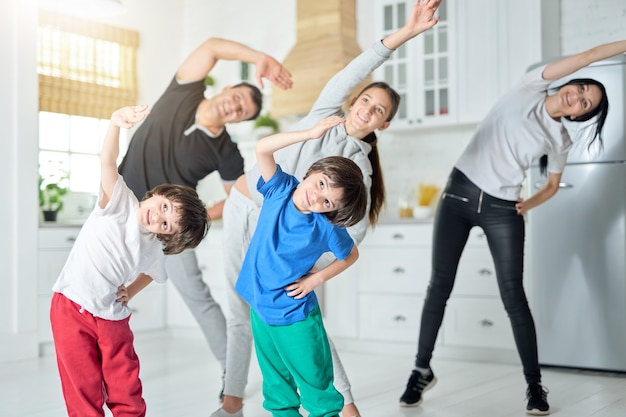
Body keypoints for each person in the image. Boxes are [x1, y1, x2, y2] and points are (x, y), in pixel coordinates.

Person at [218, 1, 443, 416]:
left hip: (290, 240)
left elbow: (351, 233)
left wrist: (310, 266)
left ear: (383, 124)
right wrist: (404, 33)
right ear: (354, 100)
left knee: (304, 324)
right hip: (246, 205)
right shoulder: (324, 113)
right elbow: (352, 72)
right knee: (242, 305)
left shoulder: (359, 169)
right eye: (367, 100)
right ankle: (231, 399)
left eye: (379, 111)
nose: (368, 109)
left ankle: (345, 404)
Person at [399, 39, 626, 416]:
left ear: (580, 116)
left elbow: (551, 185)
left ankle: (535, 387)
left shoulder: (560, 140)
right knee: (439, 286)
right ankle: (420, 371)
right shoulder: (530, 85)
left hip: (502, 208)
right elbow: (587, 57)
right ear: (572, 82)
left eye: (586, 104)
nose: (578, 97)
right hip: (458, 195)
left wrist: (527, 204)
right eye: (583, 88)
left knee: (514, 298)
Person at [117, 37, 293, 400]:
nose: (236, 107)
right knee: (102, 283)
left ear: (238, 120)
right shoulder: (184, 92)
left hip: (169, 228)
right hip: (122, 204)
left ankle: (233, 374)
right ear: (227, 88)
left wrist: (193, 216)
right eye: (239, 98)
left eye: (242, 111)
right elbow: (211, 47)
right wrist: (262, 57)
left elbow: (236, 198)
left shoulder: (226, 151)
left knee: (197, 297)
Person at [50, 105, 210, 417]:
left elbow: (153, 273)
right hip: (70, 305)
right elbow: (107, 161)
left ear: (166, 235)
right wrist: (114, 124)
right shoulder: (119, 201)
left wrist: (130, 292)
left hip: (112, 316)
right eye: (164, 207)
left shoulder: (152, 246)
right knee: (82, 386)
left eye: (166, 225)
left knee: (126, 386)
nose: (158, 218)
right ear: (157, 194)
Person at [237, 115, 368, 417]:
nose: (317, 197)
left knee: (316, 385)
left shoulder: (325, 227)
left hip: (294, 314)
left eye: (327, 202)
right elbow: (262, 149)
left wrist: (315, 279)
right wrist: (309, 133)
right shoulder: (280, 189)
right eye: (321, 184)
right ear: (313, 171)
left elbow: (350, 255)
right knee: (276, 389)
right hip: (260, 306)